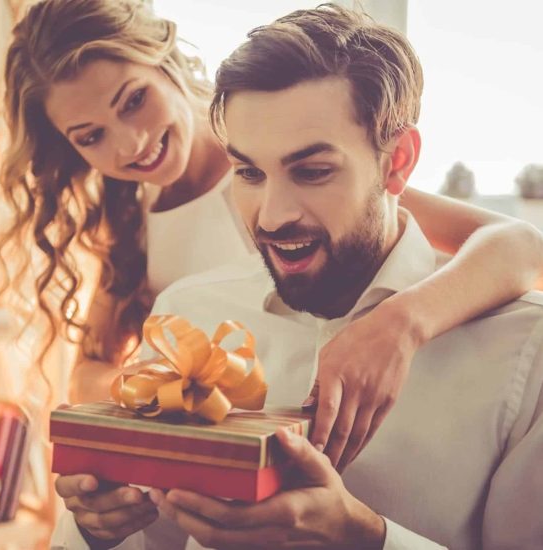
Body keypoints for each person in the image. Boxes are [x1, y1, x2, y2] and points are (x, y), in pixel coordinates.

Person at [50, 4, 543, 549]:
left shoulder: (522, 357)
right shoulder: (181, 301)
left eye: (311, 172)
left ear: (396, 162)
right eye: (249, 172)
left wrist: (362, 536)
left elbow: (521, 242)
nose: (271, 215)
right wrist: (100, 512)